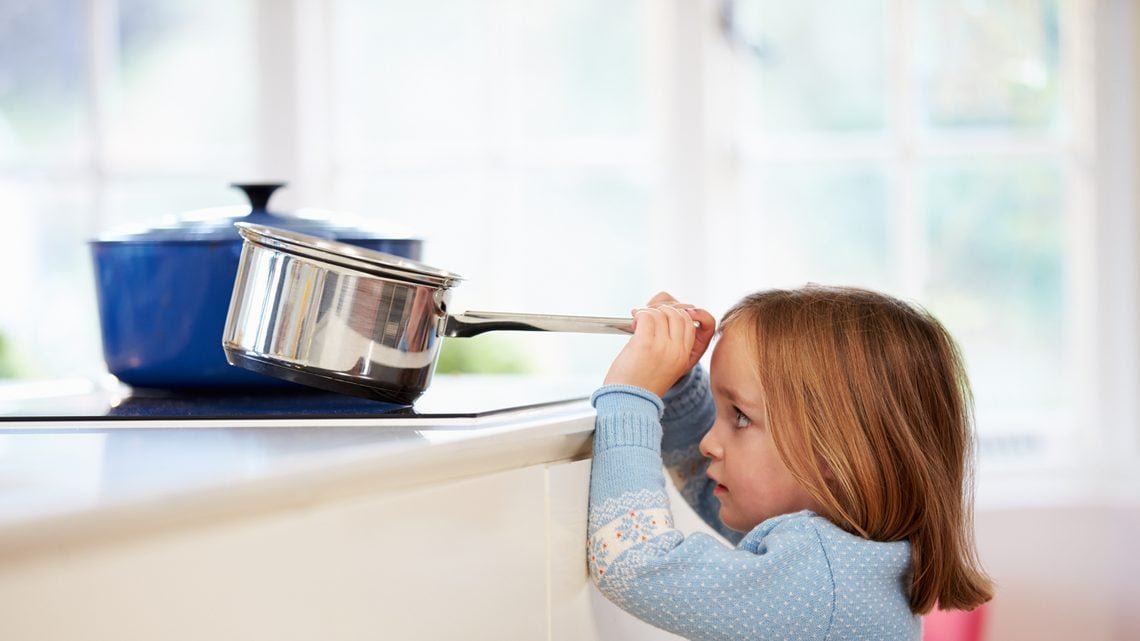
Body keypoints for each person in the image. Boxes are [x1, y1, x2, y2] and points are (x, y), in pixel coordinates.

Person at [587, 286, 994, 641]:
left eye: (741, 417)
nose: (710, 443)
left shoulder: (820, 583)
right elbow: (724, 489)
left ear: (837, 451)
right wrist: (675, 386)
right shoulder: (853, 561)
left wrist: (631, 397)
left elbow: (633, 565)